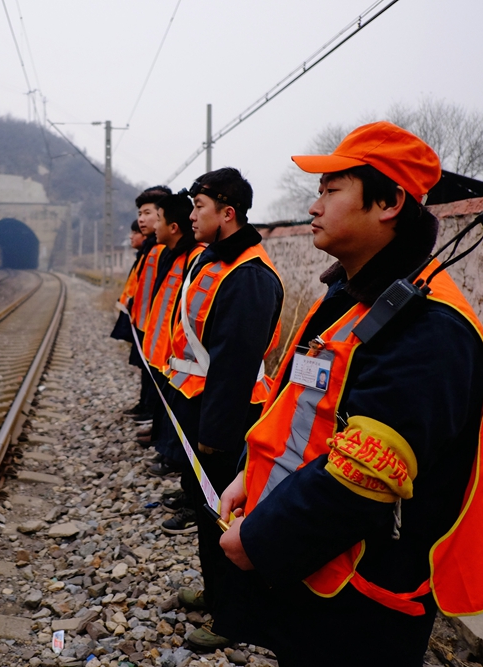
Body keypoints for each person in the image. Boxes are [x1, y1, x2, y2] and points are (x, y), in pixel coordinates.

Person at [216, 122, 483, 667]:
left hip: (364, 603)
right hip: (319, 573)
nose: (314, 205)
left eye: (330, 190)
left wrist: (262, 539)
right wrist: (253, 478)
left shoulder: (430, 326)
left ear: (389, 202)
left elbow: (365, 475)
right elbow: (304, 411)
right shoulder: (355, 297)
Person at [160, 168, 284, 651]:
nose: (191, 216)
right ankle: (216, 595)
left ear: (227, 213)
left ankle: (236, 619)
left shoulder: (250, 275)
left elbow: (234, 363)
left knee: (226, 516)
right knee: (205, 506)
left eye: (199, 207)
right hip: (200, 406)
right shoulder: (214, 259)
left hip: (227, 416)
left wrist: (215, 431)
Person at [138, 192, 205, 481]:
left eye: (158, 219)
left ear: (173, 227)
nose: (152, 225)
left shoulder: (195, 257)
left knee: (179, 412)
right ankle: (167, 451)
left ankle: (174, 459)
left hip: (181, 357)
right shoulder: (173, 254)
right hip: (167, 354)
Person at [124, 186, 172, 423]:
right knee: (146, 369)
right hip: (145, 323)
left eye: (148, 213)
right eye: (140, 214)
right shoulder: (151, 248)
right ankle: (146, 407)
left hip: (156, 327)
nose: (141, 219)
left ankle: (151, 412)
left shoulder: (163, 250)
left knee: (155, 372)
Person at [110, 220, 147, 345]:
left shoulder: (153, 256)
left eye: (135, 232)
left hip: (143, 327)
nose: (131, 236)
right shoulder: (143, 257)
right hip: (135, 320)